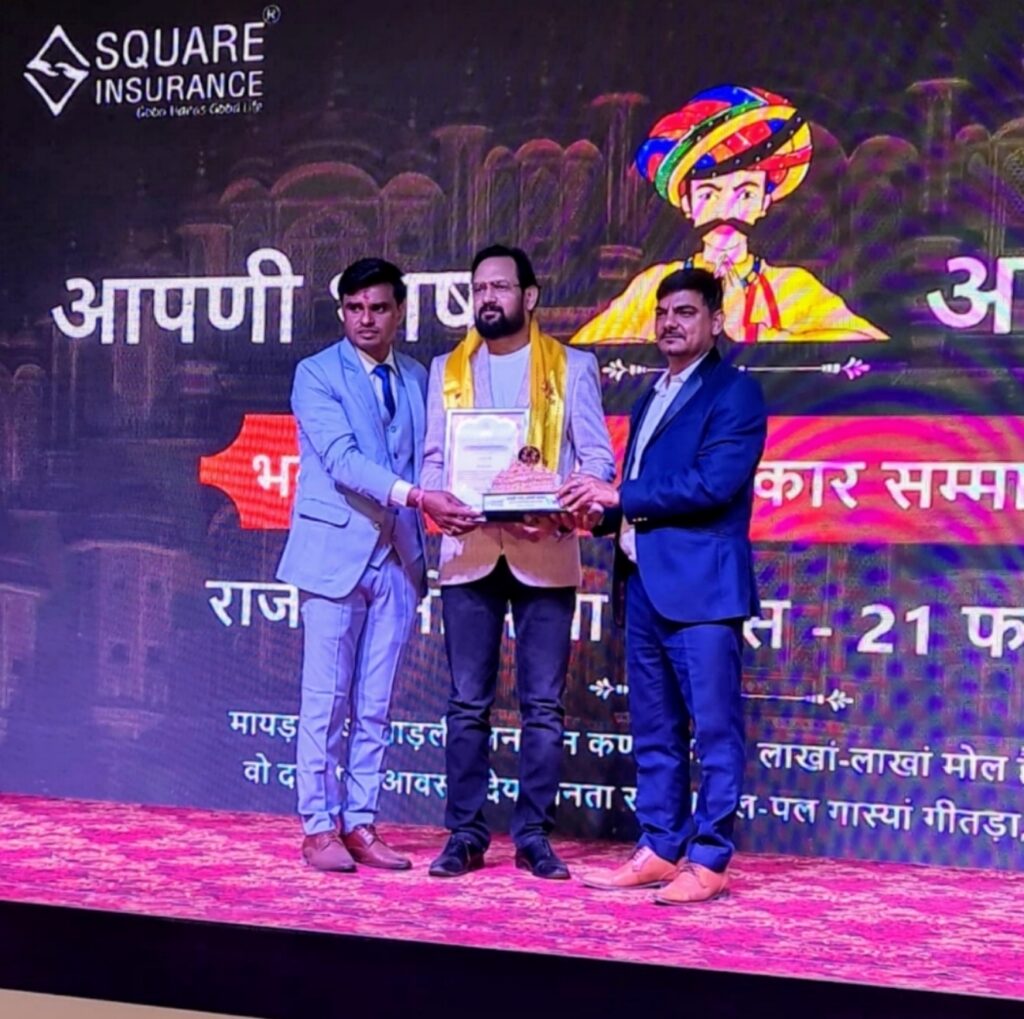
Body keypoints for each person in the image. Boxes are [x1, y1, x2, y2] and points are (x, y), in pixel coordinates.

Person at [560, 267, 767, 905]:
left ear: (716, 321)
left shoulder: (735, 392)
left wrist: (618, 497)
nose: (670, 324)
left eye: (685, 312)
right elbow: (638, 495)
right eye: (663, 313)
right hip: (644, 585)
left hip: (703, 592)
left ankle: (709, 858)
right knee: (654, 730)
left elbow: (713, 484)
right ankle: (658, 846)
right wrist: (598, 513)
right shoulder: (652, 395)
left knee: (714, 731)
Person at [421, 244, 615, 880]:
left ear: (529, 297)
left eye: (500, 287)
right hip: (469, 553)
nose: (488, 298)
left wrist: (562, 506)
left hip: (545, 549)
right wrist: (440, 499)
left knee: (542, 707)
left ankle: (533, 835)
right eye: (479, 289)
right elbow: (432, 460)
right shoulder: (446, 370)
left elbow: (597, 460)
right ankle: (465, 835)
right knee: (466, 704)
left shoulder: (572, 367)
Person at [277, 257, 477, 872]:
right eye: (355, 308)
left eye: (379, 308)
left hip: (398, 559)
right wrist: (418, 497)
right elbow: (341, 460)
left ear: (399, 313)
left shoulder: (418, 376)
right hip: (333, 556)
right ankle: (318, 827)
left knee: (375, 704)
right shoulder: (316, 374)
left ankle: (360, 823)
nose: (366, 319)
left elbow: (435, 456)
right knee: (326, 700)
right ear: (342, 312)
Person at [570, 84, 887, 345]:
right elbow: (585, 351)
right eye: (709, 195)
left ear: (764, 202)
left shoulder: (792, 287)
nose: (726, 210)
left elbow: (869, 344)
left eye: (745, 194)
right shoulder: (654, 285)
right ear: (687, 205)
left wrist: (769, 338)